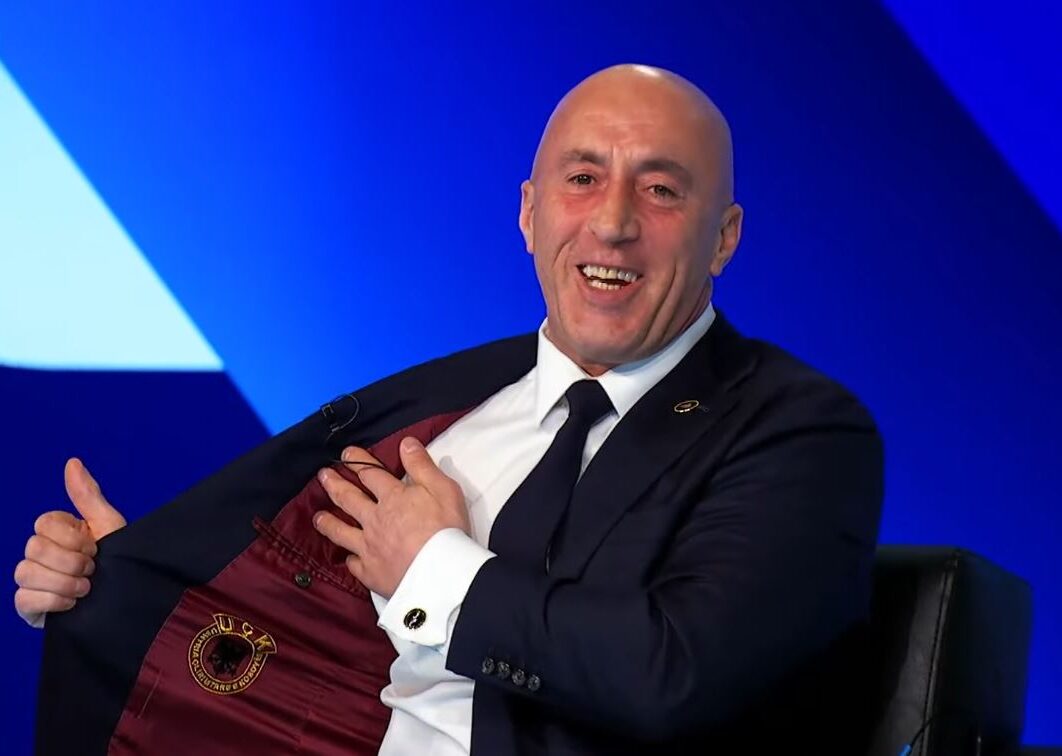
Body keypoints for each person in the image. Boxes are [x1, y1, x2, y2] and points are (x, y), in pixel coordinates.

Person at [15, 64, 884, 754]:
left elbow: (674, 675)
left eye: (661, 191)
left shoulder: (798, 433)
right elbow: (293, 632)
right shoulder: (438, 411)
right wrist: (123, 585)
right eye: (583, 179)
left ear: (724, 237)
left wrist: (434, 569)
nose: (613, 222)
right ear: (530, 215)